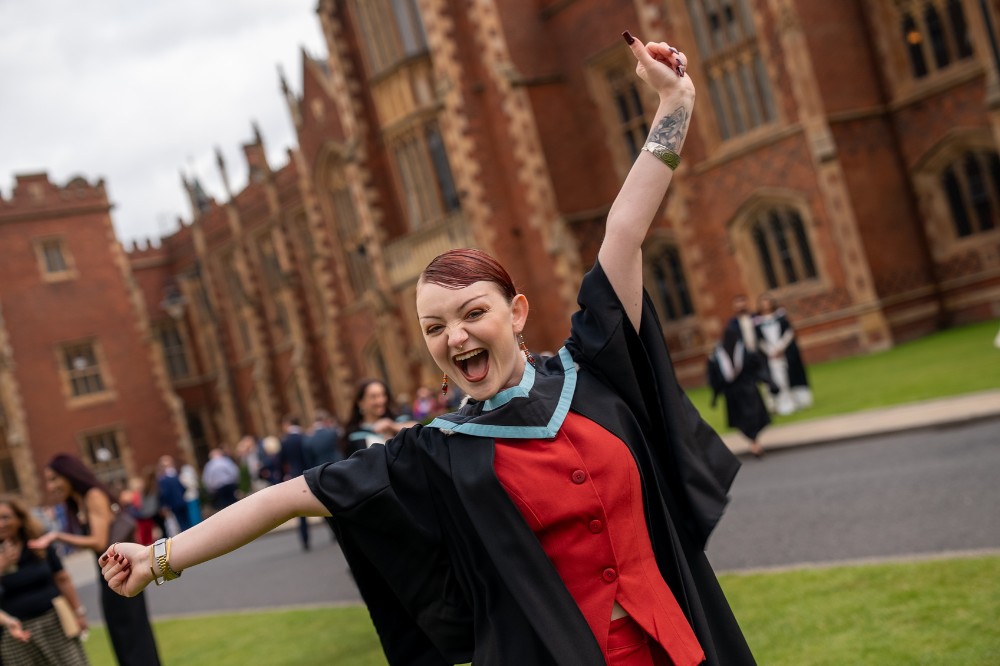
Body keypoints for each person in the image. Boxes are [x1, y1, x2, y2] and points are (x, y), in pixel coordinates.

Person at [99, 34, 756, 665]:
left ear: (516, 312)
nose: (457, 337)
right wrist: (160, 558)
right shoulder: (438, 453)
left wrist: (675, 106)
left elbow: (623, 231)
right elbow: (285, 497)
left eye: (473, 313)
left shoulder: (593, 372)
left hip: (677, 647)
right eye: (435, 328)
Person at [34, 454, 161, 665]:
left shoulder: (93, 495)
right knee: (123, 640)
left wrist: (56, 536)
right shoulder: (79, 502)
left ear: (69, 475)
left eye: (54, 478)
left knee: (134, 640)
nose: (51, 486)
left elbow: (100, 541)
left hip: (122, 575)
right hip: (108, 578)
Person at [0, 496, 90, 665]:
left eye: (6, 517)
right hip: (16, 631)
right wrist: (2, 565)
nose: (1, 523)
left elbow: (62, 577)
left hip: (53, 621)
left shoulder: (38, 543)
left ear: (19, 519)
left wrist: (78, 612)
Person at [707, 326, 778, 458]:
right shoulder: (724, 355)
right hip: (744, 392)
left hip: (737, 393)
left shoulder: (737, 353)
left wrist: (715, 397)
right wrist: (769, 382)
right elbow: (759, 370)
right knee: (748, 419)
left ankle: (754, 443)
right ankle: (755, 443)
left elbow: (714, 379)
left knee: (749, 419)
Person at [755, 294, 812, 413]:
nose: (766, 305)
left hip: (783, 352)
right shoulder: (758, 322)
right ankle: (779, 403)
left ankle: (794, 400)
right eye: (763, 303)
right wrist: (770, 351)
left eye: (768, 302)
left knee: (789, 376)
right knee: (775, 379)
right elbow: (759, 340)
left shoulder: (780, 317)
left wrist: (781, 347)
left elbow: (789, 332)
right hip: (770, 355)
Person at [341, 379, 418, 457]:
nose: (380, 401)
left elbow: (418, 431)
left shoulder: (399, 419)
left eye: (383, 395)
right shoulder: (355, 435)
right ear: (361, 402)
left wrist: (392, 426)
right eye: (373, 397)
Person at [279, 416, 311, 551]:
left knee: (301, 511)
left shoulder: (285, 441)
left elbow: (281, 461)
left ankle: (305, 540)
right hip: (311, 473)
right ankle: (334, 534)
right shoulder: (305, 437)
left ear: (288, 424)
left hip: (295, 476)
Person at [156, 455, 191, 533]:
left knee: (182, 524)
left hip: (174, 504)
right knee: (185, 523)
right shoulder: (174, 475)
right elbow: (183, 488)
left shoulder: (164, 479)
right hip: (180, 502)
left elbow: (164, 494)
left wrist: (165, 504)